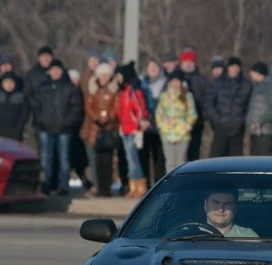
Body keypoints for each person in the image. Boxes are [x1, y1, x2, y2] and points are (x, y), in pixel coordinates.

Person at [32, 59, 82, 195]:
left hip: (64, 129)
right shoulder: (43, 87)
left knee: (64, 159)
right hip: (45, 128)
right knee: (45, 159)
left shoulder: (69, 87)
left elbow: (76, 109)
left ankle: (63, 185)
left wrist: (67, 123)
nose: (55, 72)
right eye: (53, 70)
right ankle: (45, 184)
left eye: (58, 70)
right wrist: (42, 121)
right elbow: (36, 107)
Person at [82, 62, 119, 196]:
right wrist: (96, 117)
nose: (103, 78)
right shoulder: (92, 91)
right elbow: (88, 107)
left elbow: (116, 106)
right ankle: (96, 186)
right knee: (95, 160)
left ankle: (107, 187)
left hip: (109, 129)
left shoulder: (114, 91)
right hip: (94, 129)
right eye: (101, 75)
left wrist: (108, 117)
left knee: (108, 161)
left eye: (106, 75)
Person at [204, 56, 252, 157]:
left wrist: (242, 121)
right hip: (221, 127)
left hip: (238, 129)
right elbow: (208, 103)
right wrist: (217, 119)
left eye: (237, 67)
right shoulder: (217, 83)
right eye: (232, 66)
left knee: (236, 161)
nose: (234, 69)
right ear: (228, 68)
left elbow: (249, 106)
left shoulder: (246, 85)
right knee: (215, 159)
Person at [116, 61, 151, 198]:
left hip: (134, 129)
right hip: (125, 129)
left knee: (133, 159)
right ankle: (133, 186)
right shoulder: (123, 91)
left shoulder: (134, 92)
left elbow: (141, 110)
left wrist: (138, 123)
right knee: (129, 158)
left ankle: (139, 185)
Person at [156, 70, 198, 173]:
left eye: (177, 81)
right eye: (173, 81)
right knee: (170, 163)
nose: (175, 83)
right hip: (167, 134)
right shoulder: (164, 96)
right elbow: (159, 113)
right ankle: (171, 186)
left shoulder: (187, 96)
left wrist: (187, 127)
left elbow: (192, 114)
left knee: (181, 162)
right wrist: (163, 127)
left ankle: (181, 185)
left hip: (183, 134)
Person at [245, 62, 272, 156]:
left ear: (258, 73)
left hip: (265, 133)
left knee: (265, 164)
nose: (251, 75)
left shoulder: (269, 87)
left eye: (252, 72)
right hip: (256, 132)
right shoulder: (258, 86)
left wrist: (259, 121)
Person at [0, 72, 30, 141]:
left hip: (15, 133)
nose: (9, 85)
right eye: (6, 82)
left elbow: (24, 115)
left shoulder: (20, 97)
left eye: (11, 82)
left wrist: (18, 130)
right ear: (2, 83)